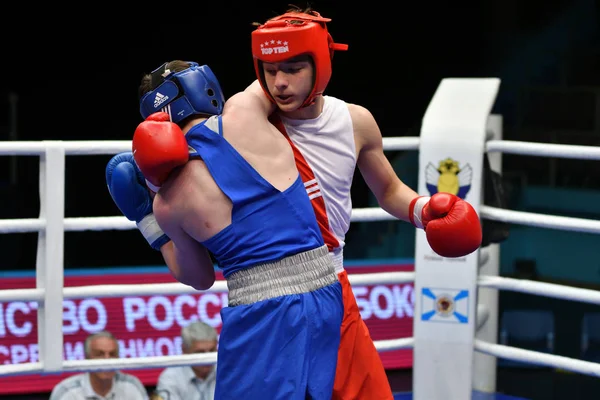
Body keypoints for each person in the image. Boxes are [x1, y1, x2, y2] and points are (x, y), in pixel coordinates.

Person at [249, 6, 483, 399]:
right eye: (270, 71)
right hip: (268, 293)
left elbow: (389, 190)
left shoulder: (353, 122)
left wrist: (425, 211)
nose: (280, 83)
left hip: (332, 285)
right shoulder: (250, 125)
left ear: (320, 65)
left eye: (293, 68)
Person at [105, 60, 344, 399]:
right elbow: (284, 80)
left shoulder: (169, 201)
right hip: (325, 288)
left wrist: (148, 222)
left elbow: (199, 277)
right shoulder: (246, 113)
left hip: (262, 310)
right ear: (202, 86)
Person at [49, 331, 148, 400]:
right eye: (100, 354)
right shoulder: (67, 391)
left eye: (112, 354)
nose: (107, 360)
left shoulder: (132, 385)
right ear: (87, 358)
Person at [154, 321, 218, 400]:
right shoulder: (170, 378)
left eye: (212, 350)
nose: (207, 357)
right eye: (200, 352)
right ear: (185, 350)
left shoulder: (226, 371)